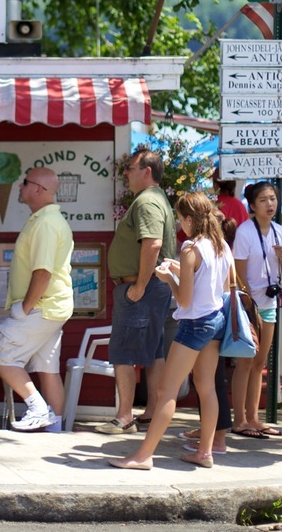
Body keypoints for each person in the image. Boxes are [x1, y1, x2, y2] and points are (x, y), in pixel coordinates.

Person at [108, 192, 232, 470]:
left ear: (189, 219)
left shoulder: (190, 249)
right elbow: (220, 289)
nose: (179, 225)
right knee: (207, 387)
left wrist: (168, 278)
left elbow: (185, 300)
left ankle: (143, 455)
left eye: (180, 219)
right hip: (215, 321)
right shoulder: (221, 245)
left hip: (194, 325)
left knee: (166, 391)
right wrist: (182, 272)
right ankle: (205, 452)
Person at [96, 147, 177, 435]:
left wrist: (139, 286)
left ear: (147, 171)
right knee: (154, 352)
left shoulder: (146, 201)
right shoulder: (156, 199)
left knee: (122, 352)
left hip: (141, 287)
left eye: (130, 167)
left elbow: (153, 243)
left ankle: (124, 417)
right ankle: (151, 413)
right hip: (151, 288)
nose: (126, 173)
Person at [0, 167, 74, 433]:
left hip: (40, 307)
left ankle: (37, 408)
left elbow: (43, 272)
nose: (19, 187)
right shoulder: (45, 220)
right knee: (48, 369)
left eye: (24, 182)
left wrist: (24, 308)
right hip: (52, 307)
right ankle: (57, 430)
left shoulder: (46, 223)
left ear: (38, 189)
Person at [228, 182, 282, 439]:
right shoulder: (244, 231)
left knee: (261, 362)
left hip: (270, 303)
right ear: (252, 205)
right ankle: (239, 418)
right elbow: (238, 272)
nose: (270, 204)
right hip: (248, 305)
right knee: (245, 362)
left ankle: (254, 417)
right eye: (263, 200)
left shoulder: (281, 232)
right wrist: (248, 302)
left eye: (273, 199)